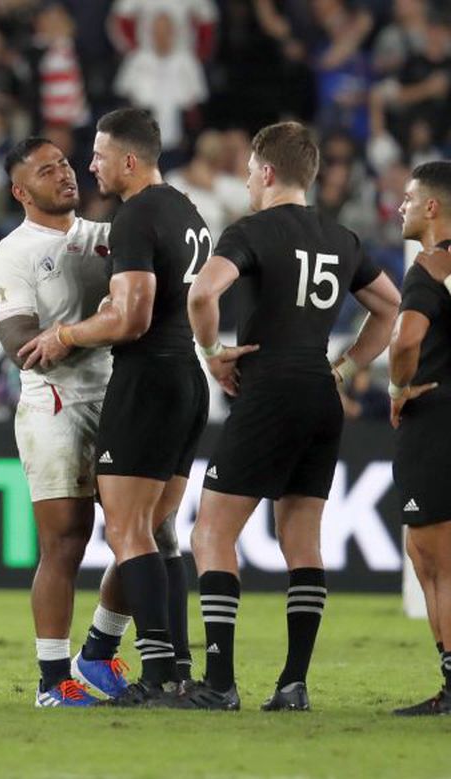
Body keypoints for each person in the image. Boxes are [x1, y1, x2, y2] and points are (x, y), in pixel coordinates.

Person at [181, 121, 399, 711]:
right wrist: (348, 366)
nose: (248, 180)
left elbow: (202, 294)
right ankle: (293, 683)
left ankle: (220, 683)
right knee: (302, 540)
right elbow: (390, 307)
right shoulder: (341, 236)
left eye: (251, 171)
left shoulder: (251, 230)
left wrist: (210, 354)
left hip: (269, 386)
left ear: (268, 172)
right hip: (320, 393)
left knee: (211, 533)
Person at [19, 107, 211, 706]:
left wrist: (65, 335)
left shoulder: (136, 217)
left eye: (99, 155)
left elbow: (132, 317)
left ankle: (156, 677)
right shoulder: (185, 209)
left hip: (147, 381)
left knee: (129, 531)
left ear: (130, 160)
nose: (90, 164)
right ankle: (177, 669)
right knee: (159, 531)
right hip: (188, 378)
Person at [0, 137, 133, 707]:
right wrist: (104, 323)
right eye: (47, 172)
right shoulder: (12, 255)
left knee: (146, 538)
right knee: (66, 542)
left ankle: (98, 652)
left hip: (120, 400)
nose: (64, 176)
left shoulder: (107, 238)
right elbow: (21, 346)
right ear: (21, 191)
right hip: (56, 407)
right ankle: (52, 681)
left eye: (65, 165)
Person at [389, 160, 451, 716]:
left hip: (435, 418)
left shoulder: (431, 265)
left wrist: (396, 385)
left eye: (409, 199)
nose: (401, 207)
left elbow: (406, 340)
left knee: (436, 560)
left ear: (432, 207)